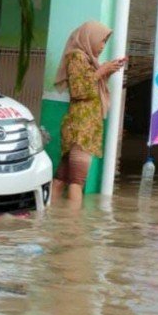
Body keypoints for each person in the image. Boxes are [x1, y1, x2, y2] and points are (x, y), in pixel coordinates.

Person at [52, 21, 126, 204]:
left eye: (104, 43)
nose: (102, 47)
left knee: (62, 177)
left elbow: (92, 88)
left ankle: (50, 217)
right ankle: (74, 226)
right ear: (89, 37)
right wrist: (101, 71)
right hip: (81, 129)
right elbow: (79, 91)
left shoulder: (86, 59)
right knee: (77, 181)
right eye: (101, 41)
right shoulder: (76, 57)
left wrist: (108, 70)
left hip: (84, 127)